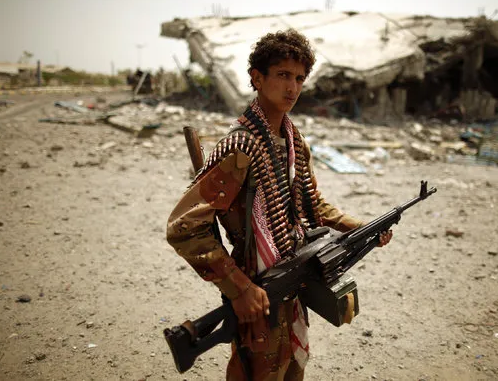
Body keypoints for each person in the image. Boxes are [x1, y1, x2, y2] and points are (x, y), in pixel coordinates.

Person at [166, 29, 392, 381]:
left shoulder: (292, 139)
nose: (293, 88)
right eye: (283, 75)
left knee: (292, 368)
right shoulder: (240, 147)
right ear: (257, 78)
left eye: (300, 78)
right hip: (257, 281)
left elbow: (311, 203)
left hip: (293, 273)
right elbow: (183, 227)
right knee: (258, 369)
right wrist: (239, 288)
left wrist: (359, 228)